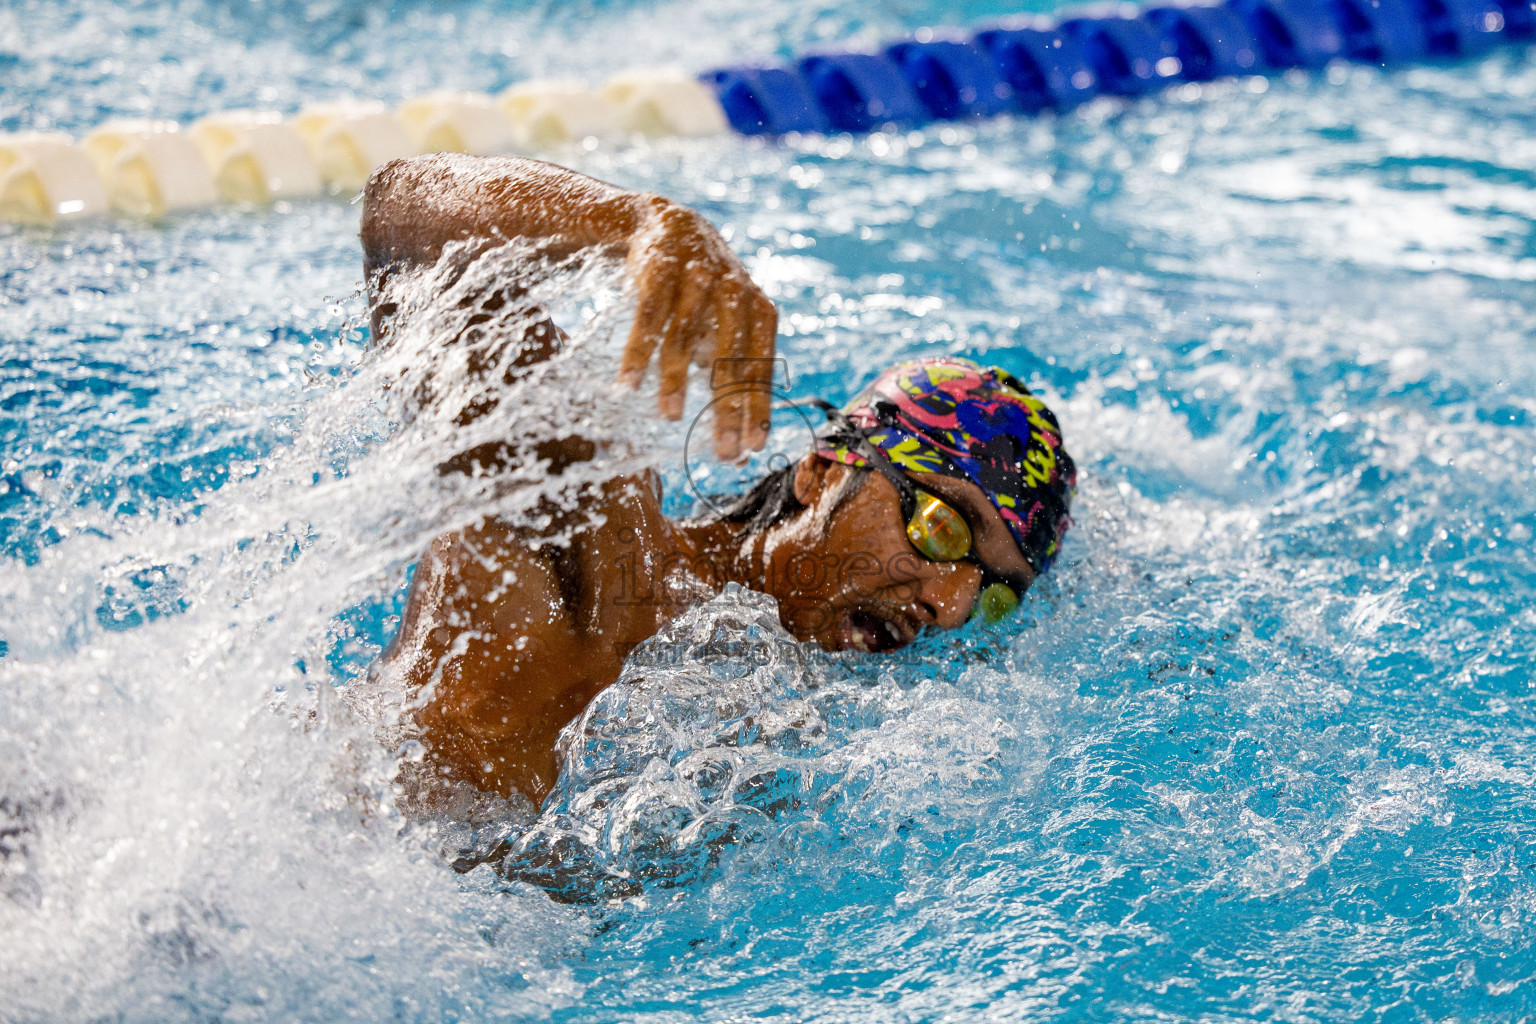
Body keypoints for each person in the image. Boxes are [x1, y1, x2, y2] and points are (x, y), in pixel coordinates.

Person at [363, 154, 1076, 807]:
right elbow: (404, 219)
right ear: (823, 471)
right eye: (943, 526)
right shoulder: (598, 532)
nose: (949, 605)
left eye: (993, 593)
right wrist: (638, 223)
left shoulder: (799, 724)